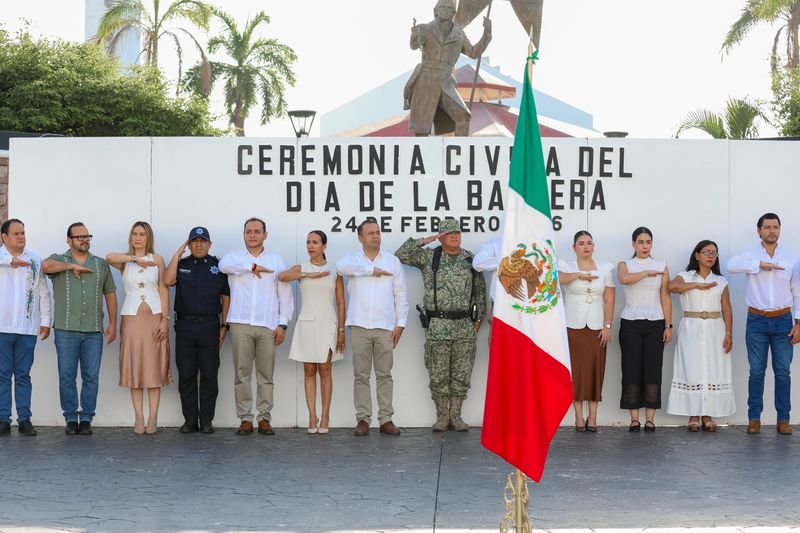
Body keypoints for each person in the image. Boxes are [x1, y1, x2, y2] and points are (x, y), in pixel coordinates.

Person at [396, 218, 486, 432]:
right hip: (438, 324)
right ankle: (442, 416)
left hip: (464, 324)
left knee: (462, 374)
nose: (455, 235)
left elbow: (479, 290)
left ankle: (456, 415)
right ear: (440, 236)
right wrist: (424, 240)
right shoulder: (430, 257)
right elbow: (401, 254)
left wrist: (479, 317)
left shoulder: (470, 259)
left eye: (457, 231)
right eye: (449, 233)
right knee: (438, 373)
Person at [727, 213, 800, 435]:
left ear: (780, 230)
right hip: (756, 320)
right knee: (756, 371)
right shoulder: (749, 255)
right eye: (767, 227)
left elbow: (797, 291)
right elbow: (731, 265)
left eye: (775, 227)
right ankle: (754, 418)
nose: (772, 231)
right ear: (759, 230)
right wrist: (760, 265)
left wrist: (798, 322)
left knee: (783, 372)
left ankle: (784, 419)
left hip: (783, 320)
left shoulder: (791, 258)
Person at [42, 222, 117, 436]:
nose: (84, 240)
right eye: (79, 237)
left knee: (91, 376)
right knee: (66, 375)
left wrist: (113, 323)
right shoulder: (59, 259)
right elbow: (45, 267)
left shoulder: (100, 264)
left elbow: (110, 293)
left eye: (87, 236)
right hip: (66, 329)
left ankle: (86, 418)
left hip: (94, 330)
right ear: (69, 240)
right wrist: (71, 267)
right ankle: (69, 418)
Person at [220, 218, 293, 436]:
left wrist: (283, 324)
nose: (252, 235)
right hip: (241, 324)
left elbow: (285, 295)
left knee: (265, 374)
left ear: (265, 235)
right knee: (242, 374)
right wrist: (250, 267)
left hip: (267, 326)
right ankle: (245, 418)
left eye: (257, 231)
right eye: (248, 231)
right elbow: (223, 266)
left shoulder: (276, 260)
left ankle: (264, 418)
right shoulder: (234, 258)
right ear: (244, 235)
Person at [337, 219, 408, 436]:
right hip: (358, 325)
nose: (375, 236)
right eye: (370, 233)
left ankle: (386, 418)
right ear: (360, 238)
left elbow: (401, 293)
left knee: (384, 374)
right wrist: (371, 270)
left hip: (385, 326)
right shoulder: (352, 260)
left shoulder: (392, 261)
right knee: (361, 375)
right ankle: (363, 419)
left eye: (377, 232)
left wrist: (401, 324)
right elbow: (340, 268)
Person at [107, 221, 172, 434]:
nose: (137, 237)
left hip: (154, 316)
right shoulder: (126, 261)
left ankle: (153, 417)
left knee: (153, 367)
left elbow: (163, 290)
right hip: (131, 318)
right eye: (134, 234)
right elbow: (109, 257)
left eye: (142, 234)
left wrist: (164, 318)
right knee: (135, 367)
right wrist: (135, 258)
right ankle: (138, 417)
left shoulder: (158, 259)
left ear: (148, 237)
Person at [164, 226, 230, 435]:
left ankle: (207, 420)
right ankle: (190, 420)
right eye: (194, 241)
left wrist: (224, 324)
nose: (199, 244)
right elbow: (167, 281)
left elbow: (225, 297)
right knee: (187, 375)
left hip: (210, 326)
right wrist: (176, 254)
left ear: (210, 244)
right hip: (184, 327)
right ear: (189, 244)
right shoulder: (180, 265)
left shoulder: (218, 266)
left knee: (210, 375)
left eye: (203, 241)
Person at [279, 230, 346, 434]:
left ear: (324, 246)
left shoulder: (335, 271)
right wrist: (309, 274)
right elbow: (282, 277)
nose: (310, 246)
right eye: (308, 242)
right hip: (307, 324)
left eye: (315, 242)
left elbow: (341, 303)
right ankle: (311, 415)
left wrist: (342, 331)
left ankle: (325, 415)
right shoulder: (302, 268)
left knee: (325, 370)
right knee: (309, 370)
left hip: (328, 325)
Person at [667, 240, 734, 432]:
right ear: (697, 255)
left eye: (714, 253)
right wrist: (696, 285)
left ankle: (708, 414)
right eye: (707, 252)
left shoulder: (721, 281)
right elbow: (672, 288)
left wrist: (729, 332)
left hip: (715, 327)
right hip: (691, 326)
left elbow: (726, 308)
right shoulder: (685, 276)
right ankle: (693, 415)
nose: (711, 256)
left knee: (712, 368)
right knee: (692, 367)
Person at [404, 0, 492, 136]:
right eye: (442, 7)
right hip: (426, 79)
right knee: (422, 125)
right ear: (436, 11)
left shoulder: (459, 34)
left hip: (446, 80)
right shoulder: (424, 28)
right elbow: (414, 45)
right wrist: (413, 37)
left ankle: (460, 153)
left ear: (453, 13)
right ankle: (422, 154)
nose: (445, 10)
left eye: (449, 8)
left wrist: (487, 34)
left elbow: (474, 53)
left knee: (463, 116)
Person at [557, 230, 615, 433]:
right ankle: (579, 416)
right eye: (581, 243)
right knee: (576, 372)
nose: (586, 246)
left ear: (594, 246)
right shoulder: (566, 266)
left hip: (597, 327)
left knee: (595, 370)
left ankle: (593, 417)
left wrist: (607, 325)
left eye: (589, 243)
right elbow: (558, 279)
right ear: (574, 247)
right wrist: (578, 275)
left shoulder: (606, 268)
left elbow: (609, 298)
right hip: (573, 326)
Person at [617, 226, 672, 432]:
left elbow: (665, 297)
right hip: (630, 322)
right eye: (640, 242)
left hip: (656, 322)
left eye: (648, 242)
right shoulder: (625, 265)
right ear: (633, 244)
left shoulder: (662, 265)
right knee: (631, 370)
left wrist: (668, 325)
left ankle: (650, 419)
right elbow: (624, 279)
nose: (645, 246)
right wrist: (646, 272)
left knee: (653, 370)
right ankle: (634, 419)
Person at [0, 219, 51, 437]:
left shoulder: (34, 259)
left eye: (23, 233)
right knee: (2, 376)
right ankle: (3, 419)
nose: (21, 237)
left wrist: (45, 320)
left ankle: (24, 419)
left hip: (27, 328)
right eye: (16, 233)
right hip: (2, 327)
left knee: (22, 375)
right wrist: (9, 261)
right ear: (4, 237)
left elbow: (43, 292)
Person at [473, 235, 501, 303]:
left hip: (527, 302)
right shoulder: (497, 243)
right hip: (500, 304)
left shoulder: (530, 243)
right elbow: (477, 263)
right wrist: (505, 262)